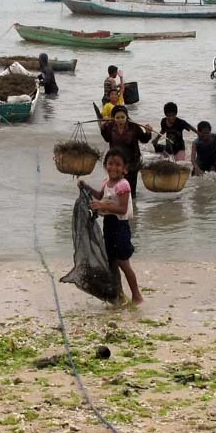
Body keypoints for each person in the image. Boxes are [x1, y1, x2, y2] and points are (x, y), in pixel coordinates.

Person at [77, 149, 143, 306]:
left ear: (125, 169)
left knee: (123, 263)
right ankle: (118, 294)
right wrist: (86, 187)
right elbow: (100, 196)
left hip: (120, 227)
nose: (114, 167)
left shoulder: (123, 185)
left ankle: (137, 296)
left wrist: (102, 205)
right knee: (111, 262)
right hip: (109, 226)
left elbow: (122, 209)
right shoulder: (106, 182)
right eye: (110, 164)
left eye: (118, 165)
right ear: (105, 166)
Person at [100, 104, 152, 199]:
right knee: (116, 186)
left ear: (127, 117)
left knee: (131, 189)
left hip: (132, 162)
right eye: (117, 117)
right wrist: (103, 127)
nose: (120, 120)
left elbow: (144, 139)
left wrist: (148, 132)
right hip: (116, 162)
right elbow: (107, 139)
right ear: (113, 118)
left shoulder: (134, 127)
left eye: (123, 117)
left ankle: (132, 207)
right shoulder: (110, 126)